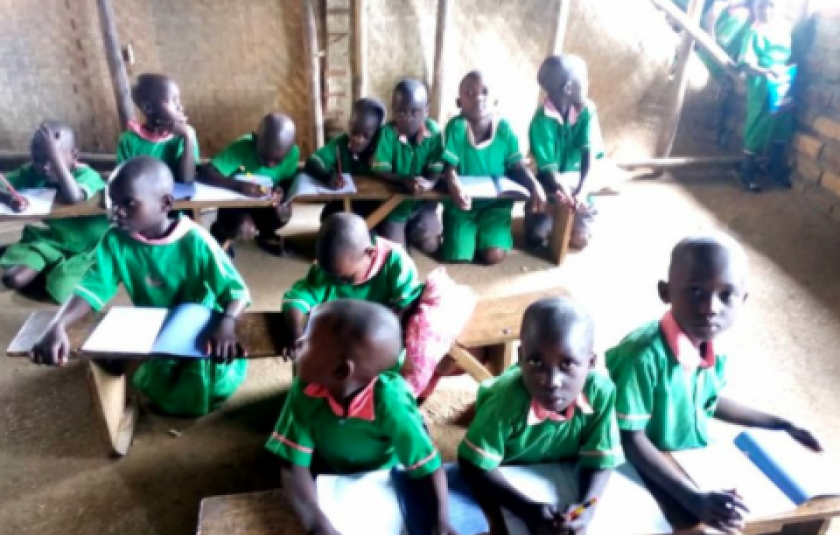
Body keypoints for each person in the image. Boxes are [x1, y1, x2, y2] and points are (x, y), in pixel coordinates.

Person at [606, 233, 821, 533]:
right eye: (695, 291)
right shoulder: (642, 356)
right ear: (666, 292)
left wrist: (781, 424)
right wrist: (691, 497)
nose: (710, 308)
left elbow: (709, 399)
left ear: (743, 299)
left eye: (726, 295)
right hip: (636, 466)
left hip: (684, 458)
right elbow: (630, 439)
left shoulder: (710, 346)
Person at [31, 156, 250, 418]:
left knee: (200, 386)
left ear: (165, 203)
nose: (116, 211)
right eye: (113, 201)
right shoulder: (115, 239)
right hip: (152, 322)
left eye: (128, 203)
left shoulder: (196, 241)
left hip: (199, 323)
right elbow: (92, 287)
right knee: (154, 376)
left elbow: (236, 292)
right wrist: (58, 324)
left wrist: (226, 323)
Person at [266, 299, 457, 535]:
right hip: (331, 472)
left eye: (308, 341)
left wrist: (441, 520)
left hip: (385, 478)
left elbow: (428, 467)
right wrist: (317, 525)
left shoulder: (391, 402)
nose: (299, 342)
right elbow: (292, 465)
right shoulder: (306, 389)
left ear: (341, 371)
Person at [459, 297, 623, 535]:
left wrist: (588, 508)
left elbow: (601, 459)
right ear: (520, 358)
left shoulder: (600, 393)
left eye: (567, 364)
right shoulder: (506, 401)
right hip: (509, 467)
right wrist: (526, 509)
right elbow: (472, 462)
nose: (551, 381)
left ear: (590, 364)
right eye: (535, 361)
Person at [441, 71, 547, 265]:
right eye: (470, 93)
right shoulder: (455, 128)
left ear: (495, 101)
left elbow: (516, 166)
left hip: (496, 205)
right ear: (459, 102)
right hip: (462, 204)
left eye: (485, 92)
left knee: (493, 256)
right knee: (458, 256)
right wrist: (454, 184)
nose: (479, 98)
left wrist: (534, 185)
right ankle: (468, 233)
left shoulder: (505, 129)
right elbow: (449, 169)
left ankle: (490, 233)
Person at [0, 121, 110, 303]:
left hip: (90, 248)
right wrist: (9, 198)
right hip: (53, 241)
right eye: (38, 159)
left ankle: (51, 269)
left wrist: (53, 154)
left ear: (75, 155)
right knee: (14, 279)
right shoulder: (33, 173)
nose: (45, 166)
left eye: (53, 159)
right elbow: (5, 184)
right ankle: (45, 265)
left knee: (60, 289)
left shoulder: (87, 176)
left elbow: (74, 197)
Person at [283, 213, 423, 347]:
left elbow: (409, 306)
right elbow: (297, 298)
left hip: (382, 341)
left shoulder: (396, 263)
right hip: (340, 335)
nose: (338, 282)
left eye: (347, 278)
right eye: (331, 275)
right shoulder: (327, 270)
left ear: (370, 253)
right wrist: (295, 332)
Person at [528, 55, 606, 251]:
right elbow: (549, 170)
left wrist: (582, 191)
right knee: (536, 237)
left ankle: (574, 216)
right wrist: (566, 193)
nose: (588, 82)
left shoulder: (587, 110)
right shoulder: (541, 121)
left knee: (580, 240)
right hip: (550, 185)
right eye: (585, 78)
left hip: (578, 180)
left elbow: (589, 152)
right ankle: (547, 214)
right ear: (568, 89)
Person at [202, 113, 299, 257]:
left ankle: (266, 233)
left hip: (264, 204)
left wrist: (282, 191)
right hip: (236, 206)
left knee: (283, 213)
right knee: (242, 228)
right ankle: (220, 231)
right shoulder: (242, 147)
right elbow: (206, 172)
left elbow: (287, 180)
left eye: (277, 160)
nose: (269, 164)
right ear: (255, 139)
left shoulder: (292, 154)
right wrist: (239, 186)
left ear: (290, 149)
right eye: (264, 157)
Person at [371, 79, 443, 255]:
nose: (408, 118)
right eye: (401, 112)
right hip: (394, 205)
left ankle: (412, 229)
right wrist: (404, 180)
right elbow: (380, 170)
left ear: (426, 110)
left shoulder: (434, 132)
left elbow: (437, 168)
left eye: (415, 112)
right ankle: (395, 230)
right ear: (393, 110)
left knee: (431, 245)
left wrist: (430, 184)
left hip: (423, 204)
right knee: (397, 254)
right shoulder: (387, 133)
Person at [738, 0, 794, 192]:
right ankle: (747, 172)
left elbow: (787, 54)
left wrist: (785, 72)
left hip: (783, 82)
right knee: (759, 124)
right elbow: (745, 63)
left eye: (770, 5)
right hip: (762, 84)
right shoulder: (754, 32)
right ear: (754, 8)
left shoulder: (783, 29)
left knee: (783, 123)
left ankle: (774, 166)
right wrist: (766, 71)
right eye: (760, 6)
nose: (765, 10)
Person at [305, 98, 386, 223]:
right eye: (354, 132)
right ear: (349, 125)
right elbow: (313, 162)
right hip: (346, 201)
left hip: (375, 203)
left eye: (366, 136)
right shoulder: (340, 144)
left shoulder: (383, 148)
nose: (358, 140)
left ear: (377, 133)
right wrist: (328, 177)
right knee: (327, 218)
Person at [117, 73, 199, 184]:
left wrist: (188, 137)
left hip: (180, 199)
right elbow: (126, 180)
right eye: (173, 101)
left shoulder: (184, 136)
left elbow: (187, 179)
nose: (180, 107)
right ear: (148, 108)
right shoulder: (129, 140)